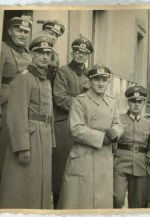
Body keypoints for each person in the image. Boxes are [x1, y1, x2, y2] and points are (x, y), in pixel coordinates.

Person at [0, 35, 56, 209]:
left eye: (48, 53)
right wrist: (22, 147)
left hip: (43, 137)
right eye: (40, 53)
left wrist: (51, 139)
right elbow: (17, 115)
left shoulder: (45, 80)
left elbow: (49, 113)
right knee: (23, 186)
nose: (45, 57)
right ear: (32, 54)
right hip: (29, 138)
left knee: (40, 184)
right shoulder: (24, 78)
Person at [57, 65, 124, 209]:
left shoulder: (112, 101)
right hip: (83, 157)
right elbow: (75, 129)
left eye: (104, 80)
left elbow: (119, 123)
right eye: (96, 80)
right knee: (80, 202)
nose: (101, 83)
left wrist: (116, 132)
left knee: (101, 202)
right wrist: (101, 137)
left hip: (104, 157)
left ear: (108, 82)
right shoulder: (80, 101)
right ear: (90, 81)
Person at [0, 15, 32, 208]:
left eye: (26, 32)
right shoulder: (2, 49)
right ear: (9, 31)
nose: (23, 35)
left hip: (24, 109)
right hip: (6, 108)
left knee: (18, 151)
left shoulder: (29, 54)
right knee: (0, 156)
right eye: (19, 30)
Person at [52, 37, 93, 206]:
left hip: (84, 126)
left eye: (84, 53)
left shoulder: (91, 75)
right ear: (72, 52)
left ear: (88, 55)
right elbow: (60, 98)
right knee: (61, 168)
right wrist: (82, 105)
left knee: (80, 167)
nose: (80, 55)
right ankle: (58, 205)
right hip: (64, 125)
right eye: (77, 51)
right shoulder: (63, 71)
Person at [113, 85, 150, 208]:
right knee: (117, 198)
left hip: (141, 166)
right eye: (133, 101)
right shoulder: (119, 120)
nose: (136, 104)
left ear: (143, 103)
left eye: (140, 101)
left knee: (137, 204)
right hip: (120, 165)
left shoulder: (148, 123)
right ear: (128, 102)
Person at [41, 20, 65, 87]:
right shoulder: (31, 52)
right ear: (43, 33)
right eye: (51, 34)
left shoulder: (55, 58)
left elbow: (55, 82)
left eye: (56, 36)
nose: (54, 37)